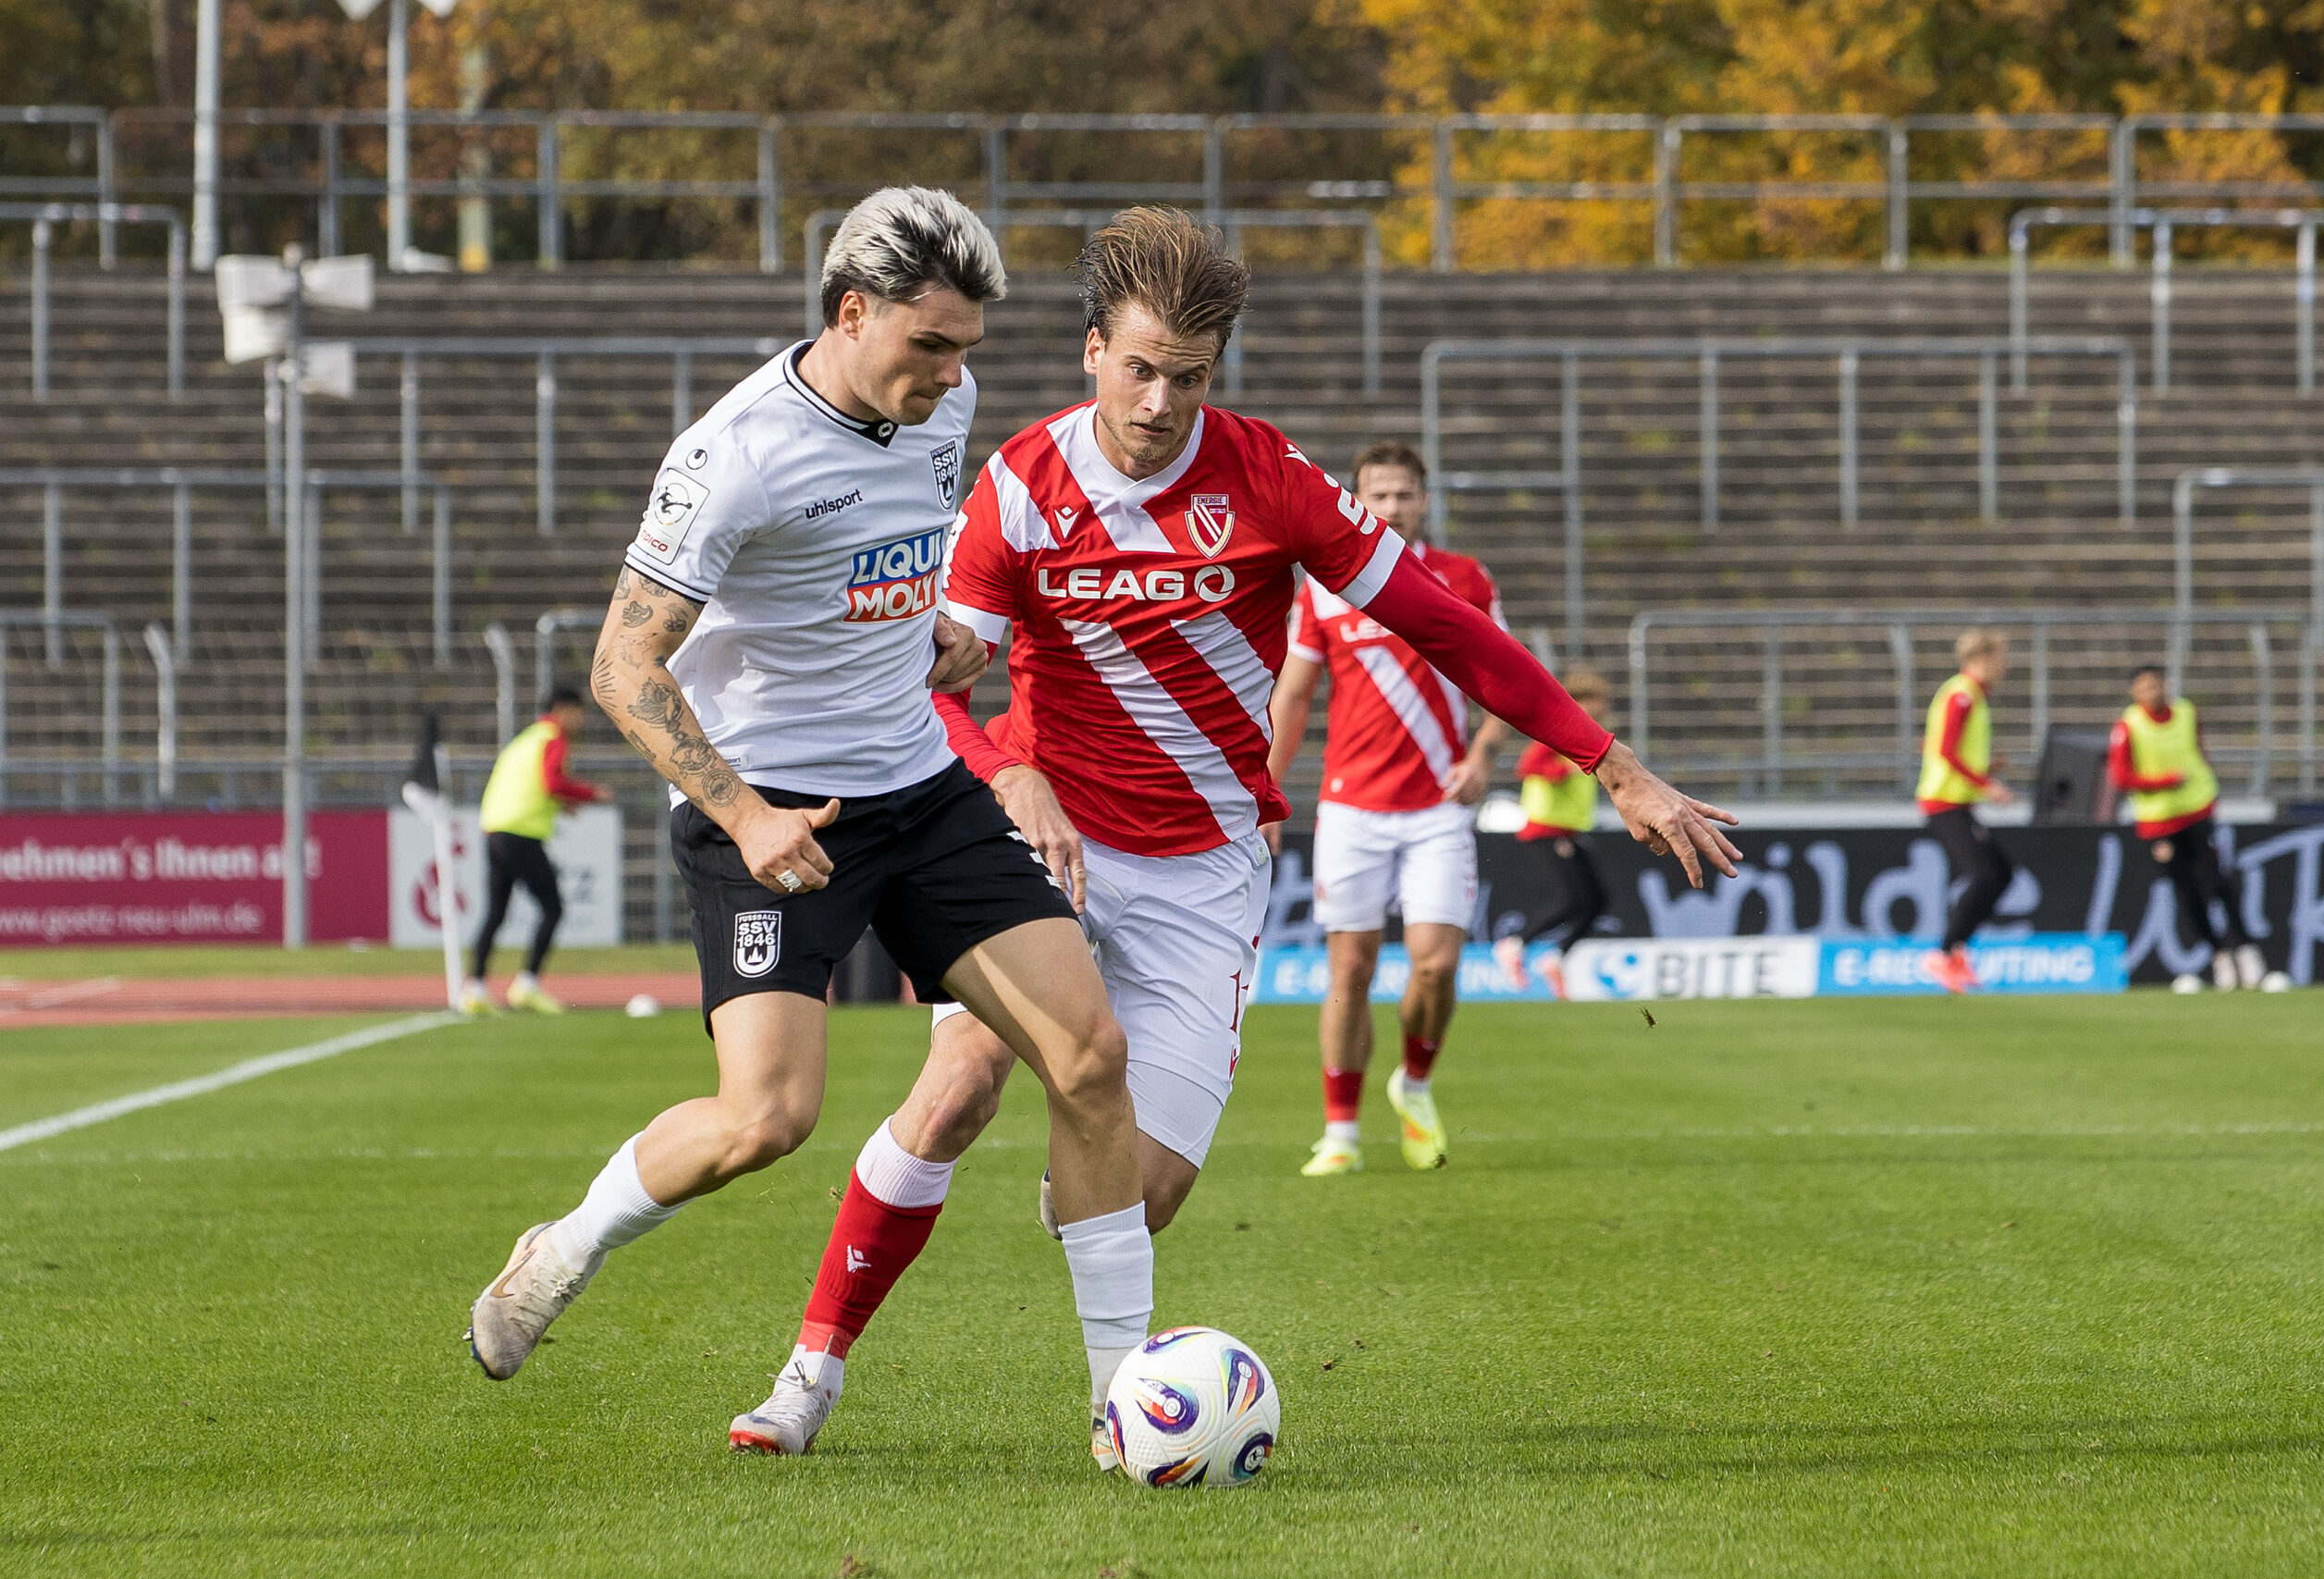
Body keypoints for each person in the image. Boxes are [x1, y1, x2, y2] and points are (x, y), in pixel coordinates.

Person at [772, 207, 1743, 1467]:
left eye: (1189, 376)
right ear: (1090, 351)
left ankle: (1105, 1304)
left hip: (1206, 867)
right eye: (1140, 368)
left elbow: (1444, 623)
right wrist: (1010, 772)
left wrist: (1611, 761)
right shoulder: (1015, 484)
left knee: (1140, 1192)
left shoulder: (1270, 479)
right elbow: (933, 680)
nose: (1161, 401)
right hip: (1046, 849)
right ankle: (812, 1372)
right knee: (958, 1083)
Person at [463, 188, 1158, 1468]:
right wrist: (742, 812)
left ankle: (1127, 1406)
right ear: (851, 313)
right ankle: (561, 1248)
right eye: (930, 344)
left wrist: (931, 638)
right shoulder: (735, 456)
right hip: (775, 816)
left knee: (1090, 1057)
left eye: (965, 349)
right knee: (766, 1119)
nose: (951, 375)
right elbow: (622, 665)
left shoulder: (939, 405)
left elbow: (883, 566)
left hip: (923, 792)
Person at [1263, 438, 1508, 1177]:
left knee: (1436, 966)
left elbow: (1506, 675)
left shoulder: (1464, 578)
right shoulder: (1323, 586)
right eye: (1378, 495)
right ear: (1357, 501)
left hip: (1438, 805)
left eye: (1404, 494)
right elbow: (1293, 695)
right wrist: (1267, 791)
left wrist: (1482, 756)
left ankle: (1416, 1084)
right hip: (1352, 808)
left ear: (1424, 501)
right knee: (1350, 971)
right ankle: (1340, 1131)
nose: (1392, 507)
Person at [2108, 663, 2268, 990]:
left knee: (2216, 881)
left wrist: (2207, 789)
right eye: (2145, 687)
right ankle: (2219, 955)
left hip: (2196, 811)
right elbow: (2121, 777)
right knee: (2187, 891)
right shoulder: (2128, 726)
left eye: (2156, 684)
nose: (2153, 691)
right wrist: (2165, 782)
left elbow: (2199, 754)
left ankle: (2245, 948)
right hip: (2158, 823)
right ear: (2134, 692)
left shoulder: (2186, 712)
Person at [459, 686, 609, 1018]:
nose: (581, 720)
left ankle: (475, 989)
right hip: (521, 834)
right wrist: (588, 793)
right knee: (553, 908)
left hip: (496, 830)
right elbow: (551, 782)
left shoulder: (526, 739)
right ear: (562, 709)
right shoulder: (554, 737)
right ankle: (527, 984)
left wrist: (562, 803)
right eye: (578, 712)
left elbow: (530, 784)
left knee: (495, 913)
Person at [1493, 666, 1618, 1002]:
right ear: (1580, 701)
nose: (1604, 708)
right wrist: (1560, 771)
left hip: (1571, 830)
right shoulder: (1559, 731)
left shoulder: (1589, 735)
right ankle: (1515, 945)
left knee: (1598, 900)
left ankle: (1555, 958)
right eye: (1598, 701)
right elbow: (1527, 765)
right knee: (1571, 899)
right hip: (1548, 829)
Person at [1918, 628, 2017, 993]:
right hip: (1944, 802)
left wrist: (1984, 769)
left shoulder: (1968, 694)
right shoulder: (1962, 695)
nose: (2004, 667)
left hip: (1956, 800)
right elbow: (1944, 750)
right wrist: (1987, 784)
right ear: (1982, 658)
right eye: (2001, 659)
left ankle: (1955, 951)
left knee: (2001, 873)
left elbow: (1943, 748)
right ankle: (1944, 953)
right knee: (1986, 875)